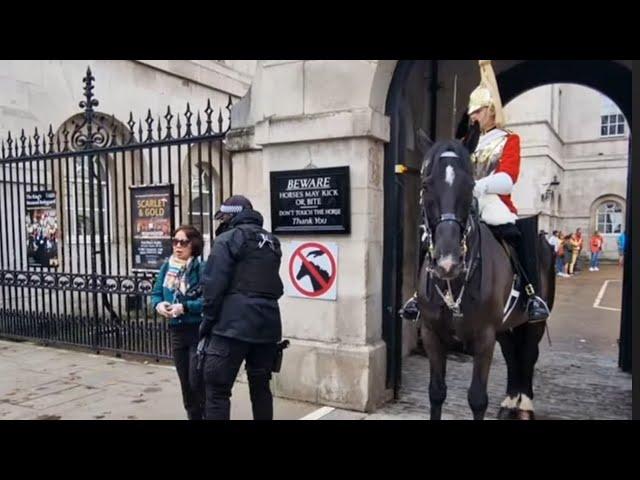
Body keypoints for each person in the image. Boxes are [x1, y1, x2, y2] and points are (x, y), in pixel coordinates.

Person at [401, 60, 549, 322]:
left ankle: (530, 293)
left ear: (491, 111)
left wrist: (478, 186)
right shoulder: (462, 144)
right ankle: (418, 294)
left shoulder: (508, 139)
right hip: (462, 202)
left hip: (494, 202)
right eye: (471, 112)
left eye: (477, 111)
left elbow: (508, 179)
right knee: (430, 232)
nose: (472, 116)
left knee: (520, 233)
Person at [199, 195, 285, 420]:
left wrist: (207, 322)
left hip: (231, 327)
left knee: (217, 390)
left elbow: (213, 286)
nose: (221, 222)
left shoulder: (228, 239)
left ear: (231, 215)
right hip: (267, 326)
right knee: (260, 387)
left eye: (223, 217)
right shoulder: (272, 241)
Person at [151, 225, 205, 420]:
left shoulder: (201, 268)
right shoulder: (167, 267)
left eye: (183, 242)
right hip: (176, 331)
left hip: (196, 330)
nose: (178, 246)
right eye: (175, 241)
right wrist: (158, 305)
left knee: (195, 380)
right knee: (185, 383)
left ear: (194, 245)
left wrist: (185, 307)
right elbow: (156, 293)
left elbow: (208, 300)